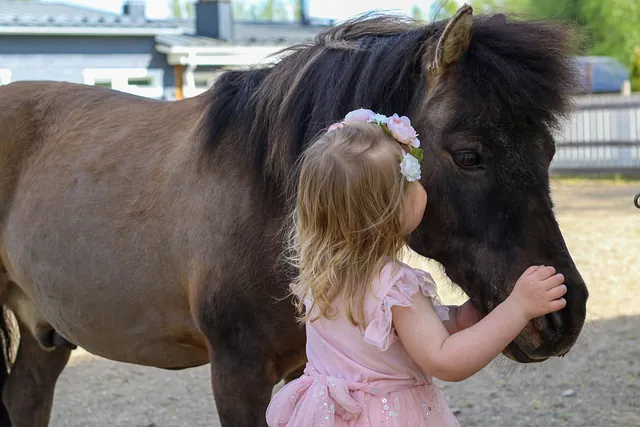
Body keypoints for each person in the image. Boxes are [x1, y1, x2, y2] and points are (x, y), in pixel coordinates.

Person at [266, 108, 567, 426]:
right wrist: (517, 308)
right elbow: (445, 359)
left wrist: (461, 318)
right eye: (412, 182)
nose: (424, 188)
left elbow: (392, 340)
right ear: (387, 211)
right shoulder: (393, 284)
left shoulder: (321, 277)